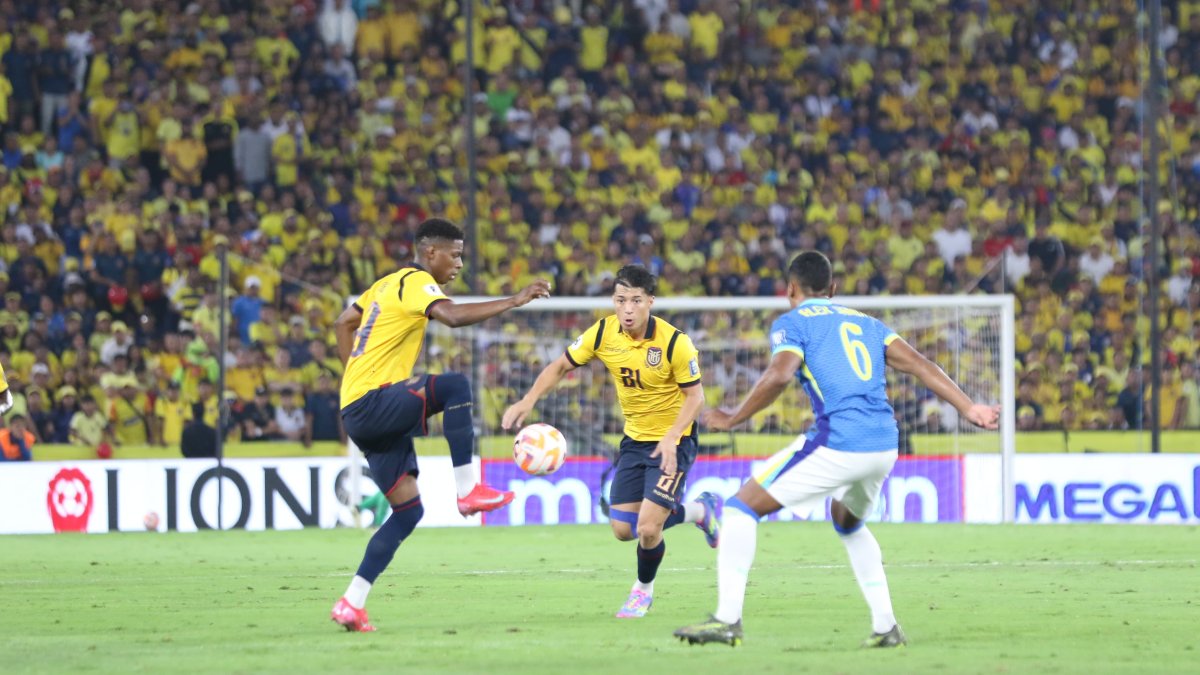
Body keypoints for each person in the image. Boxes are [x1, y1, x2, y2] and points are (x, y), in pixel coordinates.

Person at [674, 251, 1000, 647]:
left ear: (789, 289)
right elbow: (919, 363)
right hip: (884, 444)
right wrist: (970, 407)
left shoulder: (792, 323)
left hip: (840, 442)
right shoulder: (868, 322)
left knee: (741, 508)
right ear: (833, 289)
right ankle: (886, 628)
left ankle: (727, 620)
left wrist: (733, 417)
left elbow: (779, 375)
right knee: (847, 521)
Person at [331, 217, 551, 632]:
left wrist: (352, 377)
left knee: (408, 510)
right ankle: (468, 490)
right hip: (371, 402)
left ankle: (351, 602)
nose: (459, 264)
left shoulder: (383, 285)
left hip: (359, 411)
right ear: (430, 252)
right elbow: (449, 317)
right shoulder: (415, 280)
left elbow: (343, 322)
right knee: (455, 385)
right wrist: (513, 300)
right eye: (454, 254)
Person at [502, 264, 720, 619]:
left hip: (674, 442)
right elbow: (559, 366)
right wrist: (528, 401)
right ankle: (699, 511)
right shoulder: (603, 333)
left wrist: (670, 437)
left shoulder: (676, 343)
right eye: (621, 300)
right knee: (624, 530)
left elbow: (696, 399)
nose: (628, 309)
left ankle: (642, 592)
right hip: (634, 442)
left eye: (636, 300)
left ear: (650, 301)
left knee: (649, 528)